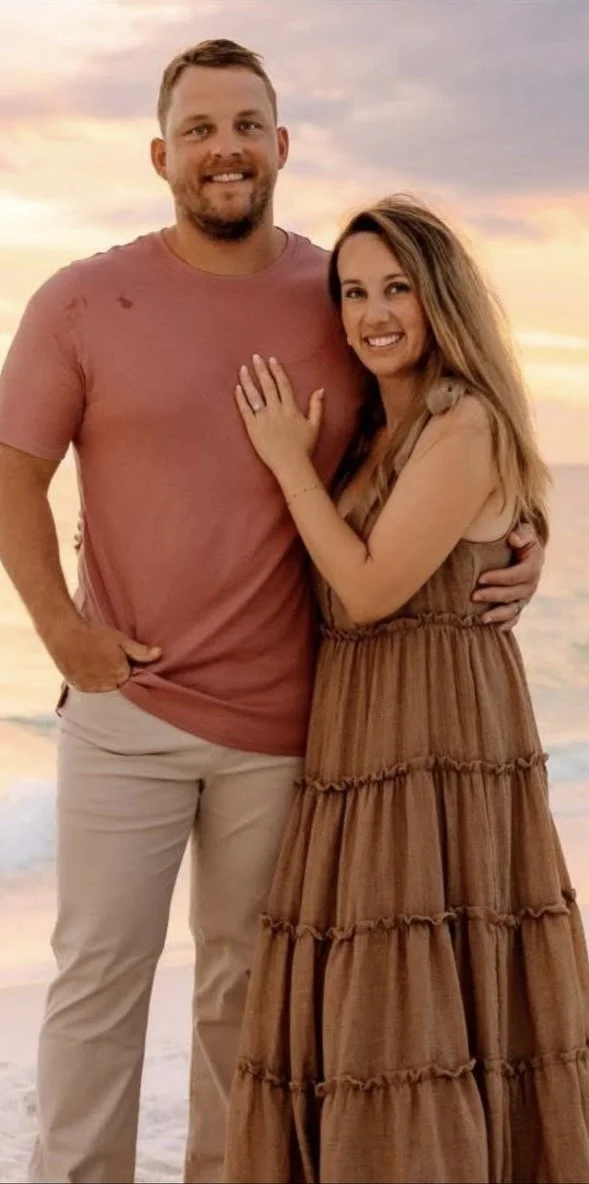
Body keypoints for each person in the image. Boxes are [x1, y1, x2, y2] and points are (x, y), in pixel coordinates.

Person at [0, 40, 543, 1184]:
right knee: (99, 985)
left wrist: (515, 538)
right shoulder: (85, 296)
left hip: (294, 726)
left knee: (251, 1004)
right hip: (125, 706)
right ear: (161, 156)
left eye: (246, 124)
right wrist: (57, 625)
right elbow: (13, 465)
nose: (224, 148)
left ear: (281, 145)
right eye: (198, 129)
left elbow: (432, 435)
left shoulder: (336, 292)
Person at [222, 196, 589, 1184]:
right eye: (351, 291)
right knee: (365, 1008)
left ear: (440, 298)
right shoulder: (382, 425)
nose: (372, 312)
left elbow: (375, 586)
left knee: (417, 1010)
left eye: (396, 288)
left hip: (437, 741)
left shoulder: (462, 417)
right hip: (362, 746)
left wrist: (287, 467)